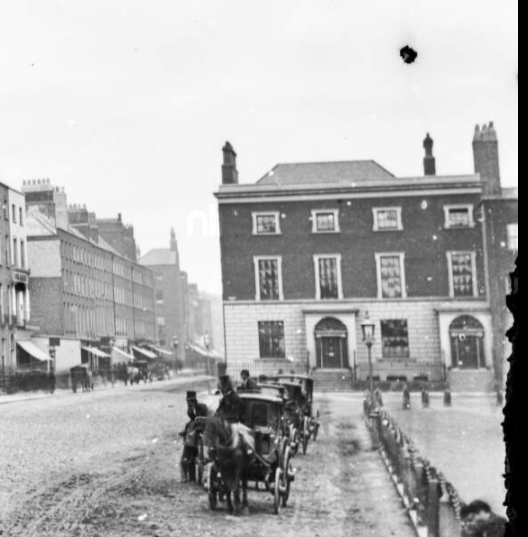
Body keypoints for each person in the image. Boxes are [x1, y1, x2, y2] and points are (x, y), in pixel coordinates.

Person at [179, 391, 209, 483]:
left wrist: (195, 420)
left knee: (191, 428)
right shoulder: (190, 409)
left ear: (193, 401)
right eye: (187, 402)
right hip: (196, 427)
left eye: (189, 402)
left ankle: (188, 439)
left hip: (202, 426)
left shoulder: (201, 407)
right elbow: (192, 419)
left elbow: (202, 418)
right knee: (190, 426)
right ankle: (190, 476)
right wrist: (191, 413)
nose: (188, 404)